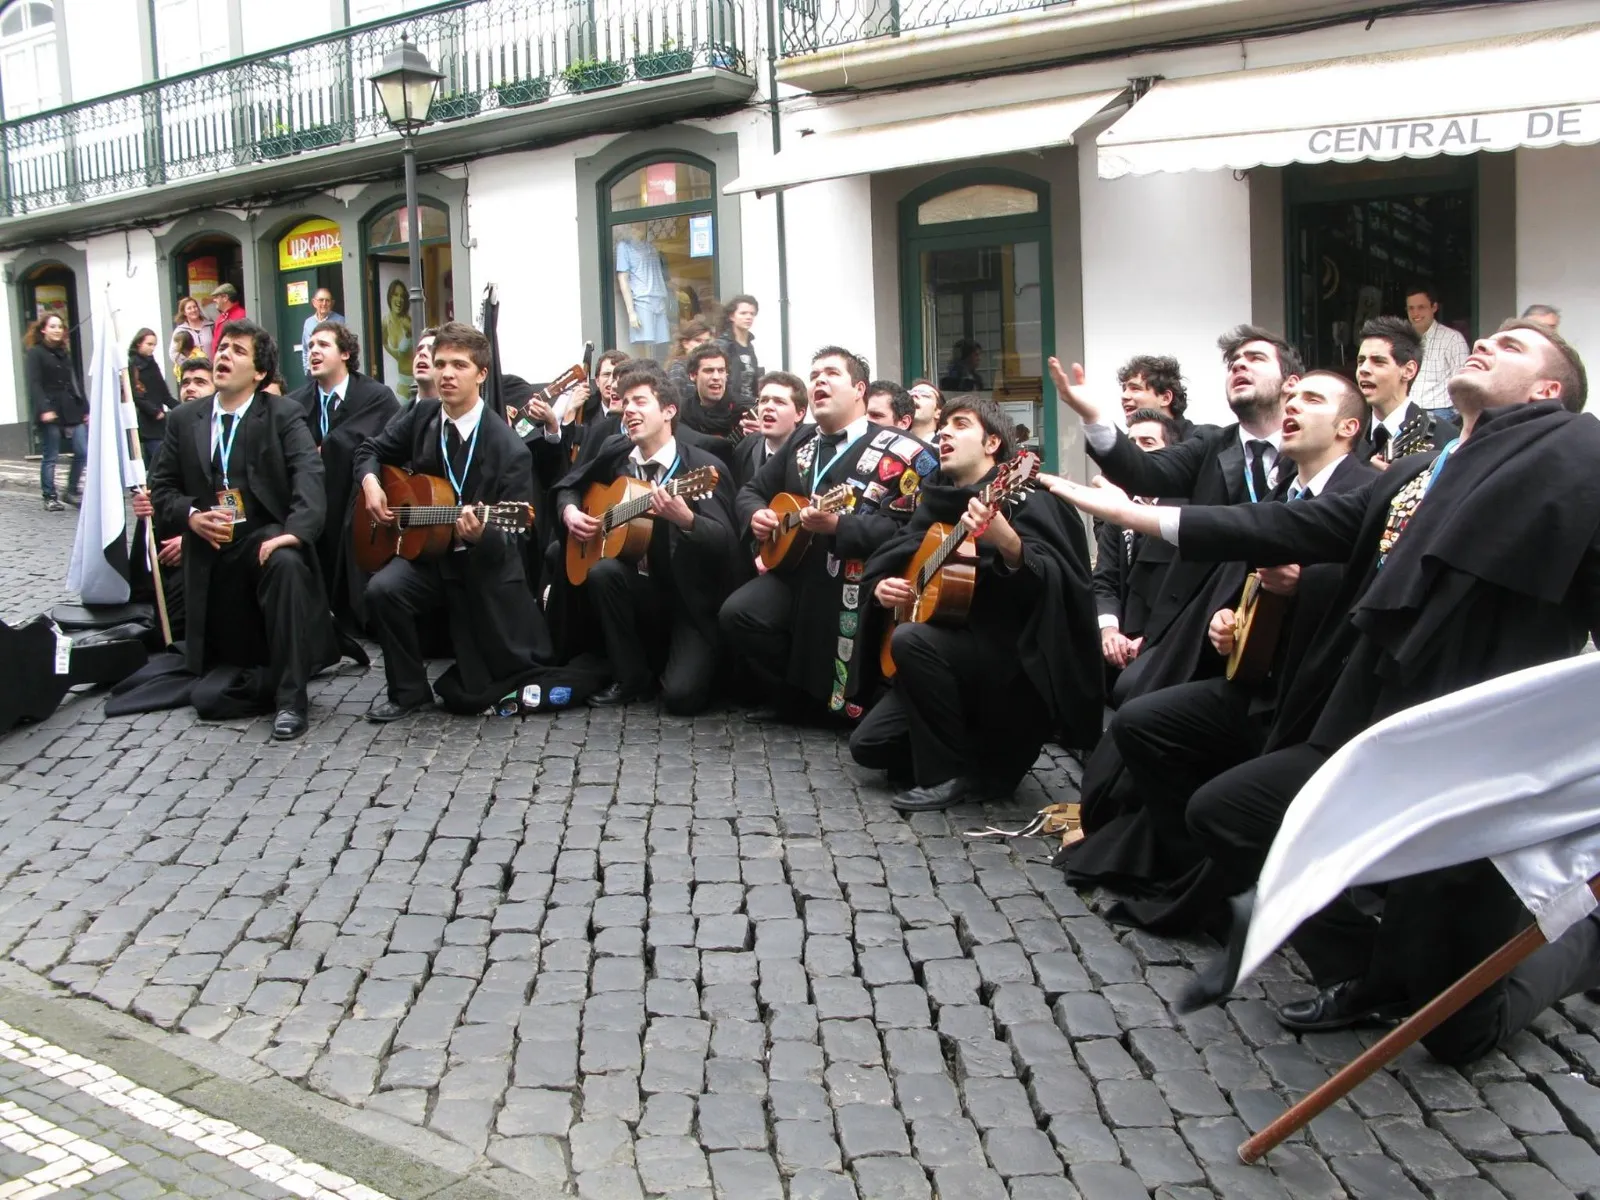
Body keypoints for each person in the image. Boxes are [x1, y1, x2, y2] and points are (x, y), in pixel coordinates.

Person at [1044, 320, 1600, 1063]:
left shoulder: (1575, 458)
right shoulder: (1414, 473)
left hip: (1471, 759)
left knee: (1456, 1033)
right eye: (1490, 337)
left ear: (1548, 392)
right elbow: (1284, 524)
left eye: (1516, 346)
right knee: (1230, 814)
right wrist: (1134, 515)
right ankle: (1362, 971)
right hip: (1365, 727)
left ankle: (1584, 942)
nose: (1490, 342)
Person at [1062, 373, 1378, 933]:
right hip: (1258, 684)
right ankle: (1196, 864)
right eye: (1291, 400)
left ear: (1349, 428)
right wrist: (1235, 623)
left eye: (1311, 399)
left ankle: (1248, 885)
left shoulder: (1363, 490)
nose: (1293, 407)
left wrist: (1302, 585)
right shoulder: (1285, 487)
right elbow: (1254, 577)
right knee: (1139, 723)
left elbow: (1362, 590)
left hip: (1317, 703)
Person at [850, 396, 1101, 812]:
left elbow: (1062, 582)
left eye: (961, 424)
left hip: (1010, 669)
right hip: (947, 656)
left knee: (912, 640)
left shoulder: (1030, 497)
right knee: (869, 746)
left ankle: (948, 774)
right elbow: (894, 555)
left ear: (992, 444)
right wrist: (882, 588)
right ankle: (971, 752)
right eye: (943, 425)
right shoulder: (936, 502)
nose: (944, 432)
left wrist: (1006, 541)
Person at [145, 319, 337, 741]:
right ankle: (265, 672)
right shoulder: (184, 419)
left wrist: (295, 532)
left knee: (285, 561)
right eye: (223, 347)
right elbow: (161, 490)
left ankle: (291, 699)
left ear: (260, 372)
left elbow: (309, 474)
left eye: (237, 351)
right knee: (211, 694)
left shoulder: (284, 414)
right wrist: (192, 515)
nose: (224, 356)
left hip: (262, 536)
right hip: (210, 552)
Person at [355, 322, 553, 721]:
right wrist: (372, 483)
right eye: (441, 363)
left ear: (481, 374)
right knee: (382, 590)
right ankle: (408, 693)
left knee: (479, 687)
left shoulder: (508, 448)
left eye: (459, 365)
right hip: (429, 556)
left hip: (480, 568)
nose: (446, 373)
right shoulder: (423, 416)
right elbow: (370, 449)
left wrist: (484, 534)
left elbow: (516, 536)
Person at [721, 346, 929, 721]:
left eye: (831, 373)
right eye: (814, 374)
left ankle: (839, 705)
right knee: (738, 614)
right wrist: (759, 515)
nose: (819, 380)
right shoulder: (802, 443)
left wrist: (840, 526)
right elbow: (750, 491)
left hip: (859, 576)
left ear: (859, 389)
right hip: (796, 569)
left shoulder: (903, 452)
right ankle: (791, 696)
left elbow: (907, 527)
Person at [551, 366, 741, 713]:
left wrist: (687, 520)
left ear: (669, 411)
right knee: (602, 572)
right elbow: (569, 486)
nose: (629, 410)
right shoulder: (616, 454)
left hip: (689, 600)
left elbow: (728, 543)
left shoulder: (701, 468)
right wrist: (571, 512)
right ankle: (631, 677)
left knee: (682, 699)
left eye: (640, 402)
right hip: (639, 587)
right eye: (625, 403)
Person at [291, 321, 401, 631]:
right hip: (313, 500)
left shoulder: (375, 396)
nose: (314, 351)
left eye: (323, 345)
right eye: (311, 346)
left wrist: (329, 448)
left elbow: (384, 447)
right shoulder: (295, 403)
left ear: (345, 353)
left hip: (355, 499)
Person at [1092, 408, 1180, 678]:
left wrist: (1150, 639)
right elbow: (1104, 580)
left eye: (1148, 443)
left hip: (1169, 642)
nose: (1138, 451)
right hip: (1121, 637)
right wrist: (1109, 631)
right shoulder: (1118, 511)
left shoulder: (1185, 512)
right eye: (1132, 444)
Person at [1354, 316, 1456, 467]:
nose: (1364, 369)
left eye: (1378, 362)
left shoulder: (1443, 436)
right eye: (1361, 361)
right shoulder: (1348, 436)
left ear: (1408, 370)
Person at [25, 313, 87, 512]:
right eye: (53, 326)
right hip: (49, 408)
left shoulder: (64, 353)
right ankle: (49, 496)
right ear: (43, 329)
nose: (57, 330)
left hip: (71, 408)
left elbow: (74, 382)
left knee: (82, 451)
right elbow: (34, 384)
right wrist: (44, 409)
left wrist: (85, 408)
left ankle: (70, 491)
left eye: (60, 326)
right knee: (50, 454)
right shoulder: (36, 353)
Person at [733, 371, 806, 489]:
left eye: (779, 402)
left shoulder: (811, 453)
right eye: (764, 400)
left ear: (799, 414)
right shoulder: (746, 448)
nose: (768, 407)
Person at [1405, 283, 1469, 413]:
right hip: (1408, 410)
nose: (1415, 313)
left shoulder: (1453, 339)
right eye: (1411, 308)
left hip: (1441, 412)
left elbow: (1462, 383)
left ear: (1434, 307)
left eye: (1421, 307)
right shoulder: (1403, 339)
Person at [677, 342, 745, 462]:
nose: (716, 377)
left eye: (721, 370)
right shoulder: (683, 412)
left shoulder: (743, 412)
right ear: (693, 375)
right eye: (709, 371)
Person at [128, 327, 179, 465]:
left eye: (154, 345)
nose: (152, 348)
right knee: (158, 460)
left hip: (159, 420)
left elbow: (163, 393)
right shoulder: (133, 364)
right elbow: (135, 395)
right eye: (149, 344)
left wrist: (181, 408)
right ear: (139, 343)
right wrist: (154, 411)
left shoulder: (152, 363)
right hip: (146, 420)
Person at [1118, 355, 1199, 440]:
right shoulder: (1121, 448)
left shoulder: (1203, 442)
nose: (1124, 396)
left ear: (1165, 398)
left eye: (1135, 388)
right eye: (1124, 389)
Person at [718, 294, 761, 409]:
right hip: (730, 408)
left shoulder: (750, 346)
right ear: (732, 316)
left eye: (752, 314)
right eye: (743, 313)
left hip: (751, 406)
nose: (749, 317)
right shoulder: (723, 345)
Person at [666, 317, 715, 410]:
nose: (703, 345)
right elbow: (674, 403)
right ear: (685, 343)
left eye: (706, 341)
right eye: (698, 340)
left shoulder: (711, 367)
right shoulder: (678, 369)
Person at [381, 279, 415, 400]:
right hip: (401, 384)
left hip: (414, 383)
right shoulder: (385, 321)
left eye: (402, 296)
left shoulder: (408, 322)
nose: (399, 300)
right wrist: (397, 355)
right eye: (395, 295)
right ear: (390, 297)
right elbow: (384, 342)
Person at [300, 289, 344, 374]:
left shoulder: (340, 321)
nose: (324, 304)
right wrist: (307, 370)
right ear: (314, 302)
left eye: (327, 300)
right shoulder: (308, 323)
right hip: (313, 371)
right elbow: (305, 348)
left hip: (332, 371)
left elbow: (344, 347)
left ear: (332, 303)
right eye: (321, 300)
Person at [172, 296, 213, 361]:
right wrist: (187, 365)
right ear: (184, 312)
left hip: (211, 368)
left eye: (195, 307)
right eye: (189, 308)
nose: (193, 310)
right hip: (192, 369)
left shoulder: (211, 326)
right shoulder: (180, 330)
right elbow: (174, 353)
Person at [209, 284, 246, 350]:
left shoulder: (242, 315)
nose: (214, 300)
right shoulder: (221, 317)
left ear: (225, 298)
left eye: (217, 297)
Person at [411, 327, 439, 403]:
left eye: (432, 350)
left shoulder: (458, 413)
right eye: (419, 349)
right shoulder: (402, 414)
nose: (422, 353)